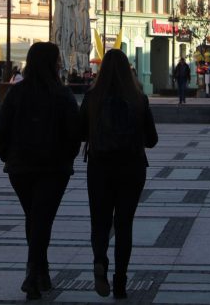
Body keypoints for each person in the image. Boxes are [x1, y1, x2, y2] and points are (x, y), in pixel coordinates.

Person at [0, 42, 79, 301]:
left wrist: (7, 156)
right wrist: (67, 158)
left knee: (34, 216)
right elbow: (74, 134)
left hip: (20, 168)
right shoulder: (63, 95)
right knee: (41, 218)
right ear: (52, 63)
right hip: (53, 168)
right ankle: (33, 274)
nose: (60, 64)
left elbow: (0, 128)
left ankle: (41, 272)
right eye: (57, 60)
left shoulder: (16, 93)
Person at [81, 48, 158, 300]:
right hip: (131, 168)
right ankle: (121, 282)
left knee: (100, 222)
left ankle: (99, 260)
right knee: (124, 226)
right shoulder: (138, 98)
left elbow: (79, 132)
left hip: (100, 167)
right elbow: (152, 139)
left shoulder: (92, 96)